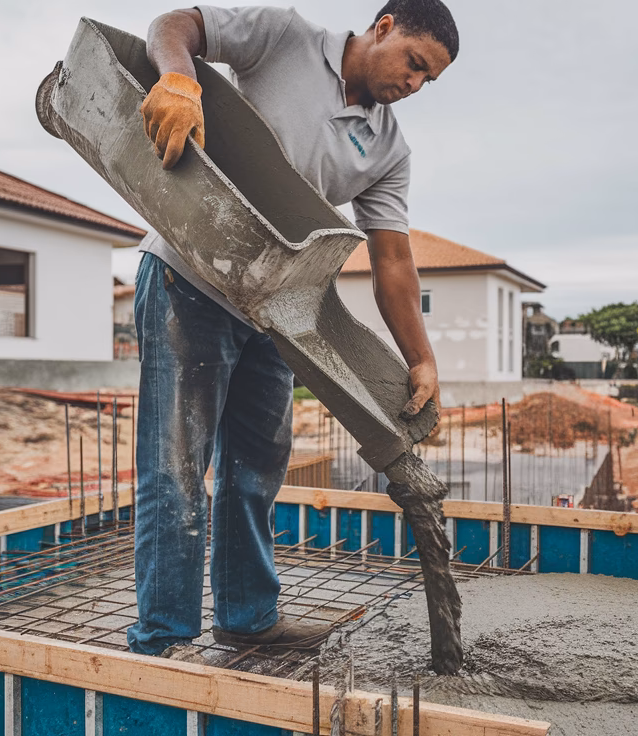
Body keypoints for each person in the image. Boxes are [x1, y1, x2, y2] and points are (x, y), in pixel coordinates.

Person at [127, 1, 459, 658]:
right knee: (177, 469)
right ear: (384, 28)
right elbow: (174, 25)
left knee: (255, 471)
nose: (415, 85)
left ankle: (248, 619)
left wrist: (420, 359)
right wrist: (177, 77)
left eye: (429, 81)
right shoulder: (284, 37)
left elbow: (392, 259)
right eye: (415, 64)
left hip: (276, 308)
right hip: (188, 277)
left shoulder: (387, 146)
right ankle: (163, 640)